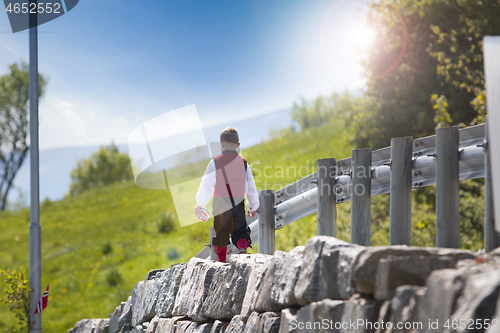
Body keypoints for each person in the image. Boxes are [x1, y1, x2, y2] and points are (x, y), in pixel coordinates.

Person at [194, 127, 259, 262]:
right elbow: (250, 187)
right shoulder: (243, 163)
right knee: (240, 229)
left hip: (220, 203)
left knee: (221, 233)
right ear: (238, 145)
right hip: (238, 202)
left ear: (221, 144)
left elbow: (206, 184)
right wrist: (252, 206)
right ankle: (242, 249)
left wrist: (200, 204)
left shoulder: (215, 162)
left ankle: (222, 262)